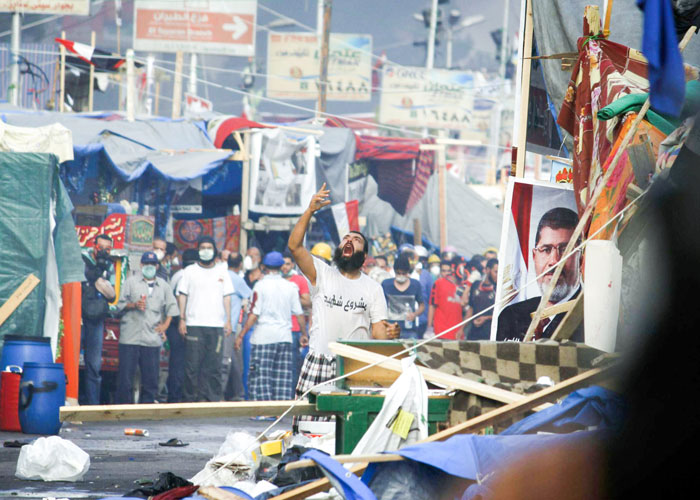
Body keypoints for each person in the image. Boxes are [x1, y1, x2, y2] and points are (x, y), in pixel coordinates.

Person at [288, 183, 399, 421]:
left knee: (349, 428)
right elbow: (295, 247)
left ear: (364, 256)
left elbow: (379, 331)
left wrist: (389, 333)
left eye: (356, 240)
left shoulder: (373, 288)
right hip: (318, 361)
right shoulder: (323, 274)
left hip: (355, 367)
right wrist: (309, 211)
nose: (349, 240)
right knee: (309, 428)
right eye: (345, 238)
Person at [496, 207, 582, 342]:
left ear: (581, 258)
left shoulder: (594, 317)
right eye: (546, 249)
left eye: (566, 250)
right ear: (534, 256)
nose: (554, 261)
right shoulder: (511, 316)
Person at [235, 252, 305, 402]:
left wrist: (241, 335)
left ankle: (263, 410)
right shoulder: (290, 286)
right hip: (285, 337)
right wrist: (304, 334)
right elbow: (299, 314)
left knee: (261, 375)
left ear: (263, 267)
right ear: (281, 267)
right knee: (282, 376)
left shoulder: (260, 286)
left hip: (263, 338)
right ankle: (280, 410)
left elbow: (254, 314)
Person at [115, 251, 178, 404]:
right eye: (146, 264)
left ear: (157, 266)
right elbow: (119, 306)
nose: (149, 267)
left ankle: (147, 407)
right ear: (141, 265)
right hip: (130, 336)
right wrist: (133, 305)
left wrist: (165, 325)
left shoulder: (163, 286)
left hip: (151, 337)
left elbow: (172, 308)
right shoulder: (131, 282)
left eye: (152, 264)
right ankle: (124, 407)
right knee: (125, 377)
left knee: (150, 378)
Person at [177, 236, 234, 401]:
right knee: (192, 366)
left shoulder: (222, 271)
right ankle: (190, 400)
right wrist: (182, 319)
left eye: (209, 247)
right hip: (194, 324)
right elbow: (182, 295)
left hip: (216, 326)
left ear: (215, 250)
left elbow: (227, 298)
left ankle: (212, 400)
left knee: (214, 366)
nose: (206, 250)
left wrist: (228, 320)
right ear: (198, 250)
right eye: (202, 247)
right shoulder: (190, 271)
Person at [80, 233, 116, 405]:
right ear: (93, 246)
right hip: (79, 318)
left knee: (94, 366)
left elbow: (112, 293)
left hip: (97, 320)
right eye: (100, 247)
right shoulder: (83, 260)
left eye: (107, 249)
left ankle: (92, 405)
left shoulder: (110, 266)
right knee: (71, 362)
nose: (102, 251)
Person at [165, 248, 199, 403]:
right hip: (183, 321)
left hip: (175, 322)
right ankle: (180, 395)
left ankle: (175, 394)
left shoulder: (176, 275)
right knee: (185, 361)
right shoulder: (187, 276)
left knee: (177, 361)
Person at [222, 252, 252, 401]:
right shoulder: (237, 280)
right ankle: (222, 394)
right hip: (231, 328)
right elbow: (251, 297)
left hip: (218, 325)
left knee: (232, 361)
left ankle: (236, 393)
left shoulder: (221, 276)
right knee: (228, 362)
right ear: (240, 264)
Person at [282, 251, 311, 387]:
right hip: (278, 329)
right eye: (282, 264)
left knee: (293, 364)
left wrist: (290, 298)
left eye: (288, 264)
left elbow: (307, 301)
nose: (285, 267)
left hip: (294, 328)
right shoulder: (274, 280)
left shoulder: (299, 280)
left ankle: (292, 393)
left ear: (292, 265)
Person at [381, 254, 425, 339]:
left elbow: (422, 306)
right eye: (398, 273)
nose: (401, 275)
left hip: (409, 329)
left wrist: (414, 314)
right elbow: (381, 306)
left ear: (408, 272)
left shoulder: (415, 285)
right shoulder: (386, 284)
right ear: (394, 271)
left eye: (403, 273)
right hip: (391, 328)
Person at [427, 257, 464, 340]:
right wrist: (429, 328)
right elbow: (432, 305)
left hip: (457, 332)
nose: (446, 273)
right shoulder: (438, 283)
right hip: (441, 330)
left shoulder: (463, 286)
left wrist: (462, 328)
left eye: (448, 271)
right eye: (443, 271)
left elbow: (468, 308)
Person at [465, 258, 498, 340]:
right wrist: (461, 329)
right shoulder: (476, 285)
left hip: (490, 335)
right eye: (496, 272)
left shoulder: (499, 290)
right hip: (473, 333)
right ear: (487, 270)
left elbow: (501, 313)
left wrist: (486, 318)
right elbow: (471, 308)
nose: (498, 275)